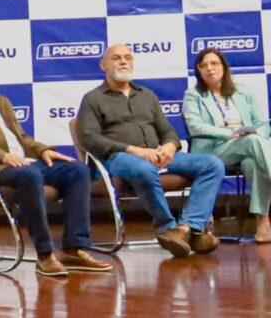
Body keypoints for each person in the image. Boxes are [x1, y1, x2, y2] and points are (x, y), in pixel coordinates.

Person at [0, 51, 111, 278]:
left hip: (20, 164)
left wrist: (43, 150)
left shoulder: (1, 102)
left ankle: (74, 249)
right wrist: (1, 156)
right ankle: (45, 254)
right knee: (29, 175)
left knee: (77, 170)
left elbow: (22, 139)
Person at [76, 44, 226, 257]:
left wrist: (170, 146)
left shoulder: (147, 95)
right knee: (144, 168)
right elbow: (88, 139)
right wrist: (134, 150)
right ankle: (167, 228)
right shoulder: (93, 98)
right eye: (116, 58)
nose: (123, 61)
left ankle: (187, 228)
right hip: (118, 158)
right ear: (103, 65)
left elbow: (168, 131)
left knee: (212, 164)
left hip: (157, 155)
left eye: (128, 57)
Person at [183, 48, 271, 244]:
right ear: (198, 70)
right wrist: (231, 134)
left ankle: (263, 223)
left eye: (214, 63)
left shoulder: (243, 92)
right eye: (204, 65)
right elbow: (195, 127)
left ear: (223, 67)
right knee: (252, 141)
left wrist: (257, 133)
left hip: (247, 147)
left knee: (252, 163)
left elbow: (263, 124)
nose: (209, 69)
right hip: (214, 152)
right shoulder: (194, 95)